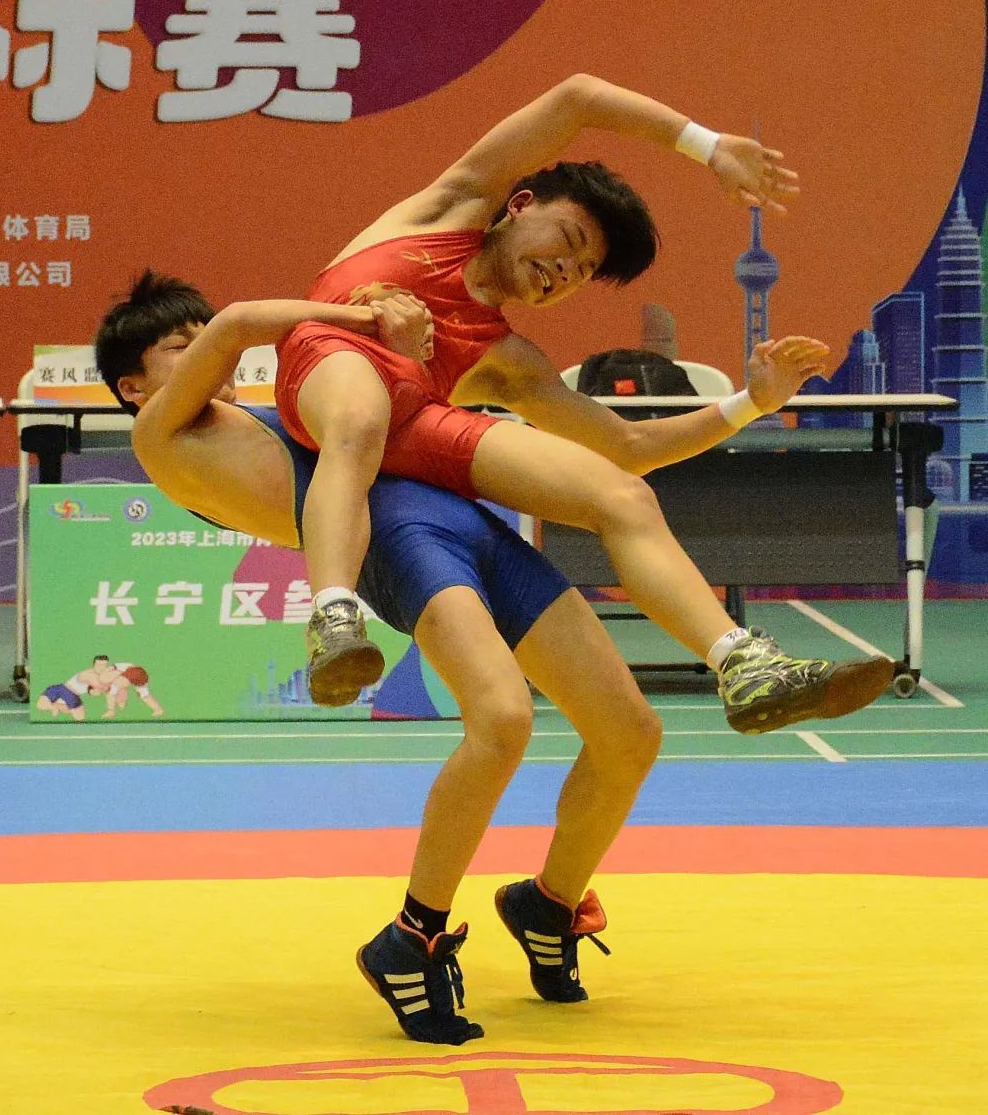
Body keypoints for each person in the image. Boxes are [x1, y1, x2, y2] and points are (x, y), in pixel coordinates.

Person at [97, 271, 888, 1045]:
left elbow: (626, 449)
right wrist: (365, 319)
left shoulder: (312, 404)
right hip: (403, 549)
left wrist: (751, 402)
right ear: (133, 387)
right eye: (180, 346)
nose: (206, 349)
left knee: (629, 733)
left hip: (470, 527)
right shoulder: (161, 436)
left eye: (199, 336)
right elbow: (239, 321)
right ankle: (413, 936)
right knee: (503, 719)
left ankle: (549, 905)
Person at [271, 72, 892, 729]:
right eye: (567, 241)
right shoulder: (448, 210)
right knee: (362, 414)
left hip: (409, 423)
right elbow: (578, 98)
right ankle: (334, 614)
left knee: (621, 494)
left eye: (583, 271)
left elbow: (629, 445)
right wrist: (707, 146)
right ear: (520, 205)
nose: (566, 270)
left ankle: (742, 662)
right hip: (324, 359)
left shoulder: (508, 362)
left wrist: (752, 403)